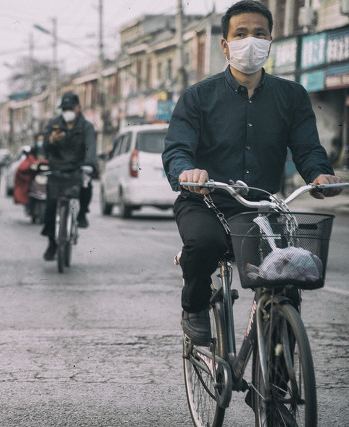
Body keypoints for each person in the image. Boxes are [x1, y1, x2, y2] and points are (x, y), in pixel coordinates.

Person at [161, 0, 343, 346]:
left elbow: (307, 148)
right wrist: (188, 171)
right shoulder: (198, 97)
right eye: (241, 33)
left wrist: (320, 176)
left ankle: (278, 379)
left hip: (259, 208)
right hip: (205, 202)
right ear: (225, 44)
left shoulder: (291, 96)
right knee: (205, 244)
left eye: (259, 33)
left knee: (287, 272)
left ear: (271, 41)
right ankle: (194, 306)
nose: (251, 41)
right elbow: (177, 149)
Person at [41, 92, 97, 260]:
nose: (67, 111)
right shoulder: (53, 124)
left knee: (86, 186)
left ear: (78, 108)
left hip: (76, 169)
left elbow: (90, 148)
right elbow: (44, 148)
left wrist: (88, 164)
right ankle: (52, 243)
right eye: (64, 108)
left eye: (70, 108)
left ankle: (82, 214)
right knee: (50, 207)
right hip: (56, 169)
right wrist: (51, 140)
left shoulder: (86, 126)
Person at [13, 134, 47, 206]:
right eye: (39, 140)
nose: (41, 141)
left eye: (42, 140)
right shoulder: (33, 150)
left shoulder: (48, 150)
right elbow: (28, 161)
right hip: (34, 174)